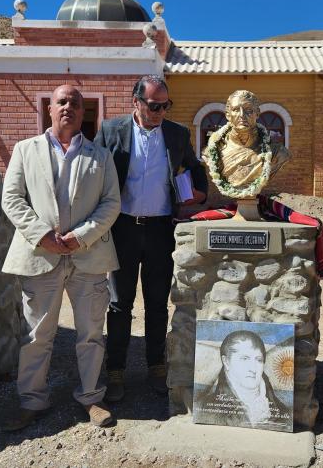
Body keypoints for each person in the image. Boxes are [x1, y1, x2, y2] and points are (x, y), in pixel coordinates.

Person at [1, 85, 120, 430]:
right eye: (62, 101)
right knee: (36, 334)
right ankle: (32, 401)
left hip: (89, 256)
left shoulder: (101, 157)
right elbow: (12, 199)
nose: (68, 107)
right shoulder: (25, 150)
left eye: (75, 103)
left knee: (91, 334)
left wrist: (81, 236)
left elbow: (111, 203)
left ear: (84, 112)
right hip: (40, 255)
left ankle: (92, 398)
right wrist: (42, 235)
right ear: (49, 109)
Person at [94, 75, 208, 401]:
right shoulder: (111, 131)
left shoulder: (176, 134)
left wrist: (199, 192)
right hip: (123, 229)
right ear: (137, 102)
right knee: (119, 305)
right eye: (154, 105)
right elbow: (96, 173)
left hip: (160, 230)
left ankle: (157, 367)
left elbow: (194, 167)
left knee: (158, 303)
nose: (160, 111)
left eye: (165, 105)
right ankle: (115, 371)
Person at [195, 331, 291, 429]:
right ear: (226, 362)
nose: (253, 369)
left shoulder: (285, 412)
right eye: (245, 359)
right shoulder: (203, 409)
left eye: (259, 360)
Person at [202, 90, 290, 194]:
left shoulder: (278, 153)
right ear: (227, 115)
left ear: (257, 114)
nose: (242, 115)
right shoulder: (213, 152)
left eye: (248, 110)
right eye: (235, 110)